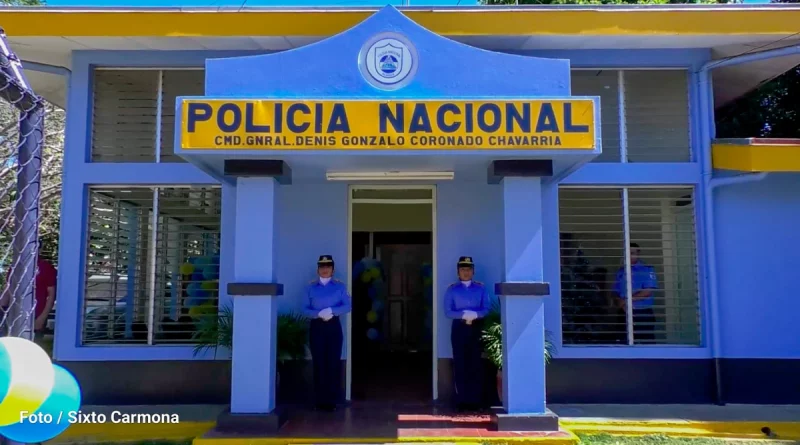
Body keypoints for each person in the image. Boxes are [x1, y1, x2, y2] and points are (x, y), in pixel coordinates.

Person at [302, 255, 351, 412]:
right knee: (319, 363)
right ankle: (319, 401)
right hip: (317, 327)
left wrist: (332, 311)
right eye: (322, 267)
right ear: (318, 269)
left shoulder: (339, 287)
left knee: (333, 363)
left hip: (333, 326)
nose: (325, 269)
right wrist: (318, 314)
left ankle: (332, 401)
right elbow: (304, 309)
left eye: (328, 267)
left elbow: (348, 306)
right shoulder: (310, 288)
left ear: (333, 270)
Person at [443, 256, 490, 412]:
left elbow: (486, 309)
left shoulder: (481, 288)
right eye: (463, 269)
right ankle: (462, 400)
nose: (466, 272)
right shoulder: (452, 289)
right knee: (460, 363)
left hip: (476, 328)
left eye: (468, 269)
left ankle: (475, 400)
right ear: (458, 272)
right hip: (460, 328)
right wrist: (464, 315)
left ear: (473, 271)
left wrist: (475, 315)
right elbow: (448, 312)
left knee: (475, 363)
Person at [1, 244, 57, 340]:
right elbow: (8, 290)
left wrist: (42, 318)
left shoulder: (46, 268)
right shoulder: (15, 267)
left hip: (37, 314)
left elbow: (51, 295)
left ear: (40, 249)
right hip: (15, 314)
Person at [614, 243, 658, 343]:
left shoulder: (647, 269)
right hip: (623, 313)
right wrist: (619, 302)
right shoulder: (621, 271)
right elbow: (615, 291)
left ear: (638, 254)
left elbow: (647, 292)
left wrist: (626, 301)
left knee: (645, 344)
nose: (629, 255)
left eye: (632, 253)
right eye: (627, 253)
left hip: (642, 314)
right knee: (623, 343)